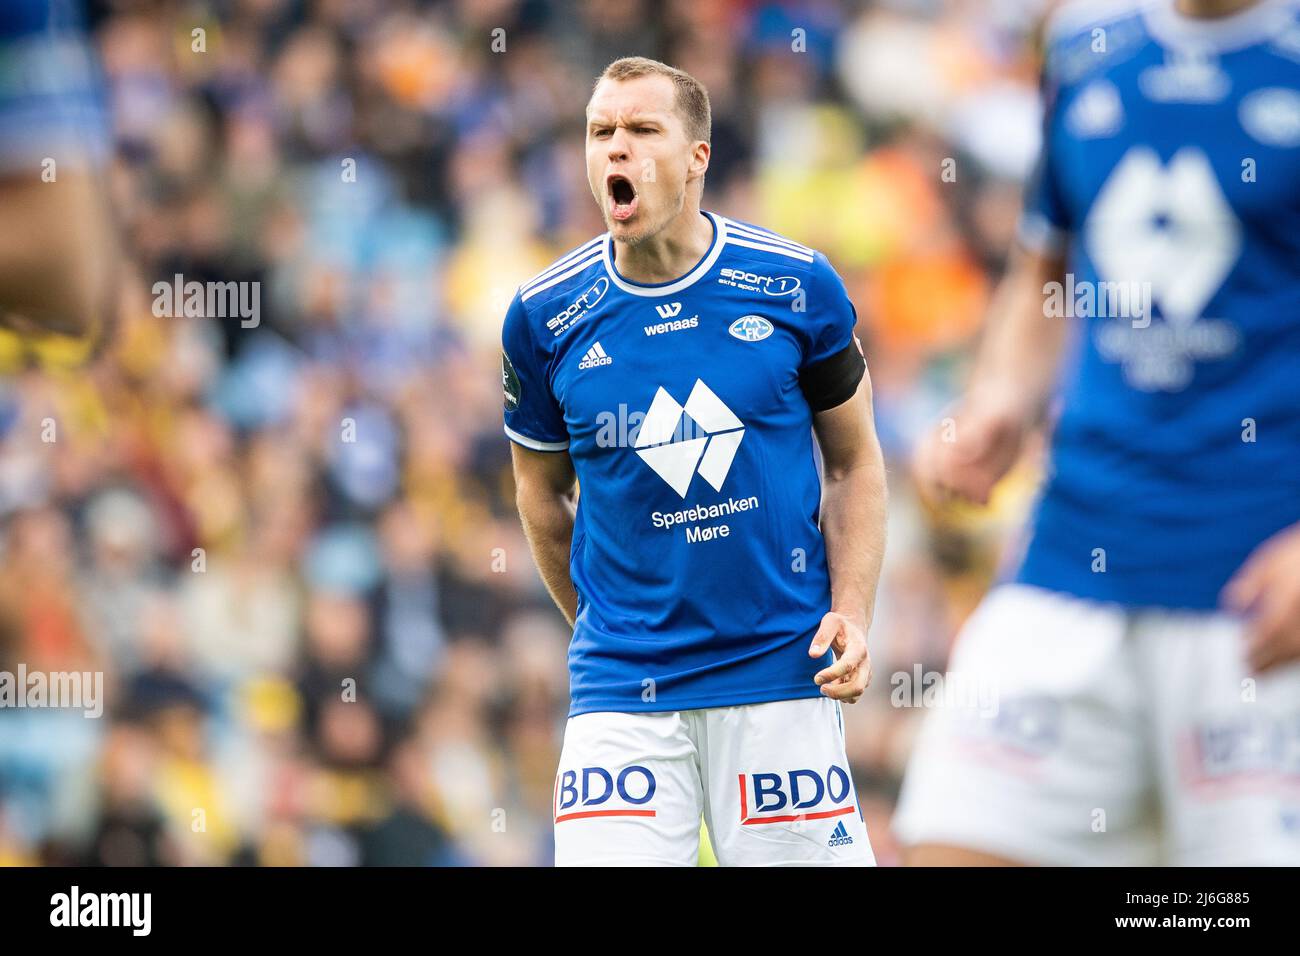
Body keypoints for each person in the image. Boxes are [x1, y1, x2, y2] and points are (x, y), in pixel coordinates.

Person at [895, 0, 1300, 865]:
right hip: (1074, 560)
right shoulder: (1086, 48)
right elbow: (1047, 264)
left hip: (1259, 592)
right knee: (949, 841)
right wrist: (999, 401)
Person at [502, 57, 888, 866]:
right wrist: (605, 625)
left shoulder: (795, 286)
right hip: (623, 695)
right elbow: (541, 497)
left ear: (698, 156)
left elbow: (854, 463)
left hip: (781, 672)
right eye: (600, 131)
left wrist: (850, 612)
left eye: (643, 130)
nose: (617, 150)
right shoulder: (542, 318)